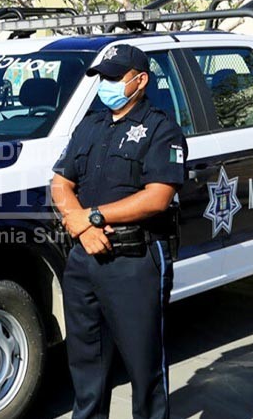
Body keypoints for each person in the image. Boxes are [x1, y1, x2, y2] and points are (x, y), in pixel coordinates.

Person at [50, 44, 187, 419]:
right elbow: (60, 182)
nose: (105, 85)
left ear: (139, 81)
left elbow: (158, 197)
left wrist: (90, 217)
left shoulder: (162, 129)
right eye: (101, 77)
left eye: (113, 77)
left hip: (134, 260)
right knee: (85, 366)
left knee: (144, 369)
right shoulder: (90, 125)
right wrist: (78, 223)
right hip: (83, 259)